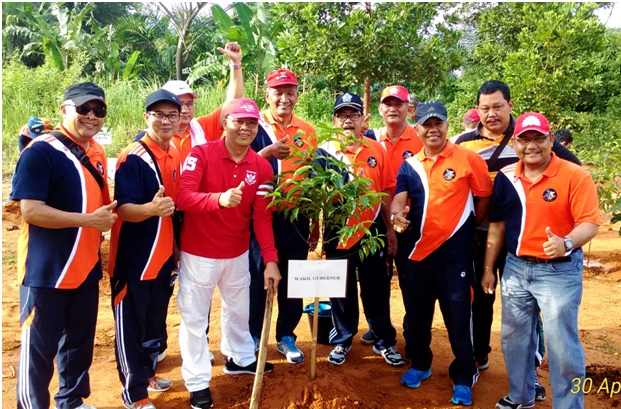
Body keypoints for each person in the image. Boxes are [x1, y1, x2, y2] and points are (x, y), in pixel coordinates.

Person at [455, 80, 581, 401]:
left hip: (522, 243)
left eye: (497, 106)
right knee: (479, 300)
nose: (491, 113)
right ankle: (478, 356)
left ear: (510, 105)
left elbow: (570, 167)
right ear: (477, 110)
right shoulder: (464, 143)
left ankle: (531, 372)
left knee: (530, 309)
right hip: (480, 237)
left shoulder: (528, 137)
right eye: (484, 108)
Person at [481, 112, 599, 409]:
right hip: (516, 268)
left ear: (550, 140)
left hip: (559, 272)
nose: (531, 146)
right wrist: (488, 269)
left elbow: (589, 223)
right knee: (514, 339)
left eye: (538, 138)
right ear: (516, 143)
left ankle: (568, 405)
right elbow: (497, 225)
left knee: (562, 345)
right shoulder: (507, 177)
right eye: (524, 139)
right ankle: (521, 396)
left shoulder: (575, 175)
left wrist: (566, 243)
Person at [12, 82, 117, 409]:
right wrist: (88, 221)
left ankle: (71, 401)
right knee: (38, 353)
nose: (91, 116)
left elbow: (103, 206)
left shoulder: (96, 153)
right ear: (64, 110)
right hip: (46, 273)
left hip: (85, 270)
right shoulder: (41, 151)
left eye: (98, 111)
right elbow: (30, 210)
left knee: (78, 345)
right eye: (83, 108)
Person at [175, 98, 281, 409]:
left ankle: (240, 357)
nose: (246, 128)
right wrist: (218, 200)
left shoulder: (261, 167)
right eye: (239, 121)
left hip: (237, 254)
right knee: (194, 320)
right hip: (199, 254)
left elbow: (262, 216)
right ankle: (197, 382)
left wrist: (270, 260)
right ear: (225, 123)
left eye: (252, 123)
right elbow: (183, 197)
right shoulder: (201, 154)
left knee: (239, 311)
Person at [391, 100, 493, 406]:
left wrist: (469, 226)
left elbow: (484, 197)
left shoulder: (467, 159)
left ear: (447, 125)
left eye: (439, 123)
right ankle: (420, 364)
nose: (433, 129)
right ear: (418, 128)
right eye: (426, 124)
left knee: (459, 319)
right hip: (416, 257)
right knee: (418, 317)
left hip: (455, 258)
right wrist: (396, 216)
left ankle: (463, 376)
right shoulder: (409, 165)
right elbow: (398, 200)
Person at [108, 89, 182, 409]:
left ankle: (147, 372)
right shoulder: (133, 157)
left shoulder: (174, 151)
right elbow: (123, 210)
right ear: (146, 117)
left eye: (172, 115)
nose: (165, 120)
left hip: (163, 255)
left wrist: (175, 247)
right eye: (158, 115)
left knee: (153, 320)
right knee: (130, 324)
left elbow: (174, 209)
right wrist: (152, 209)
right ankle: (134, 393)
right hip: (135, 257)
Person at [317, 92, 403, 367]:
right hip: (337, 230)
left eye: (353, 114)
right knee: (339, 288)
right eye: (342, 115)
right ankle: (342, 339)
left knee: (376, 286)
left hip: (373, 229)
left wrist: (389, 228)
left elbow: (386, 190)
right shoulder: (323, 152)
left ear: (363, 120)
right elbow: (319, 197)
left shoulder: (376, 149)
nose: (347, 121)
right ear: (334, 119)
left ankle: (383, 340)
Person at [249, 68, 317, 364]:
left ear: (297, 96)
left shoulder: (308, 131)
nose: (284, 99)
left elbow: (314, 178)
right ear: (267, 95)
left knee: (294, 277)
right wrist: (266, 151)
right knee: (256, 275)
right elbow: (240, 163)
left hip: (296, 216)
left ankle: (286, 335)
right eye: (278, 92)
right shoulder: (252, 125)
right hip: (259, 213)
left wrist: (314, 221)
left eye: (290, 92)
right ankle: (252, 335)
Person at [359, 85, 423, 346]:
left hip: (414, 223)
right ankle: (379, 327)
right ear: (380, 109)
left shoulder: (420, 138)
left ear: (410, 109)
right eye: (388, 104)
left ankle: (412, 333)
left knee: (412, 282)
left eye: (399, 104)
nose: (393, 109)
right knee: (377, 279)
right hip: (381, 219)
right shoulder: (372, 139)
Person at [163, 41, 244, 164]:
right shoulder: (156, 137)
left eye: (189, 104)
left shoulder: (200, 128)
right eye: (179, 104)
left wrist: (236, 63)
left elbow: (233, 104)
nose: (185, 110)